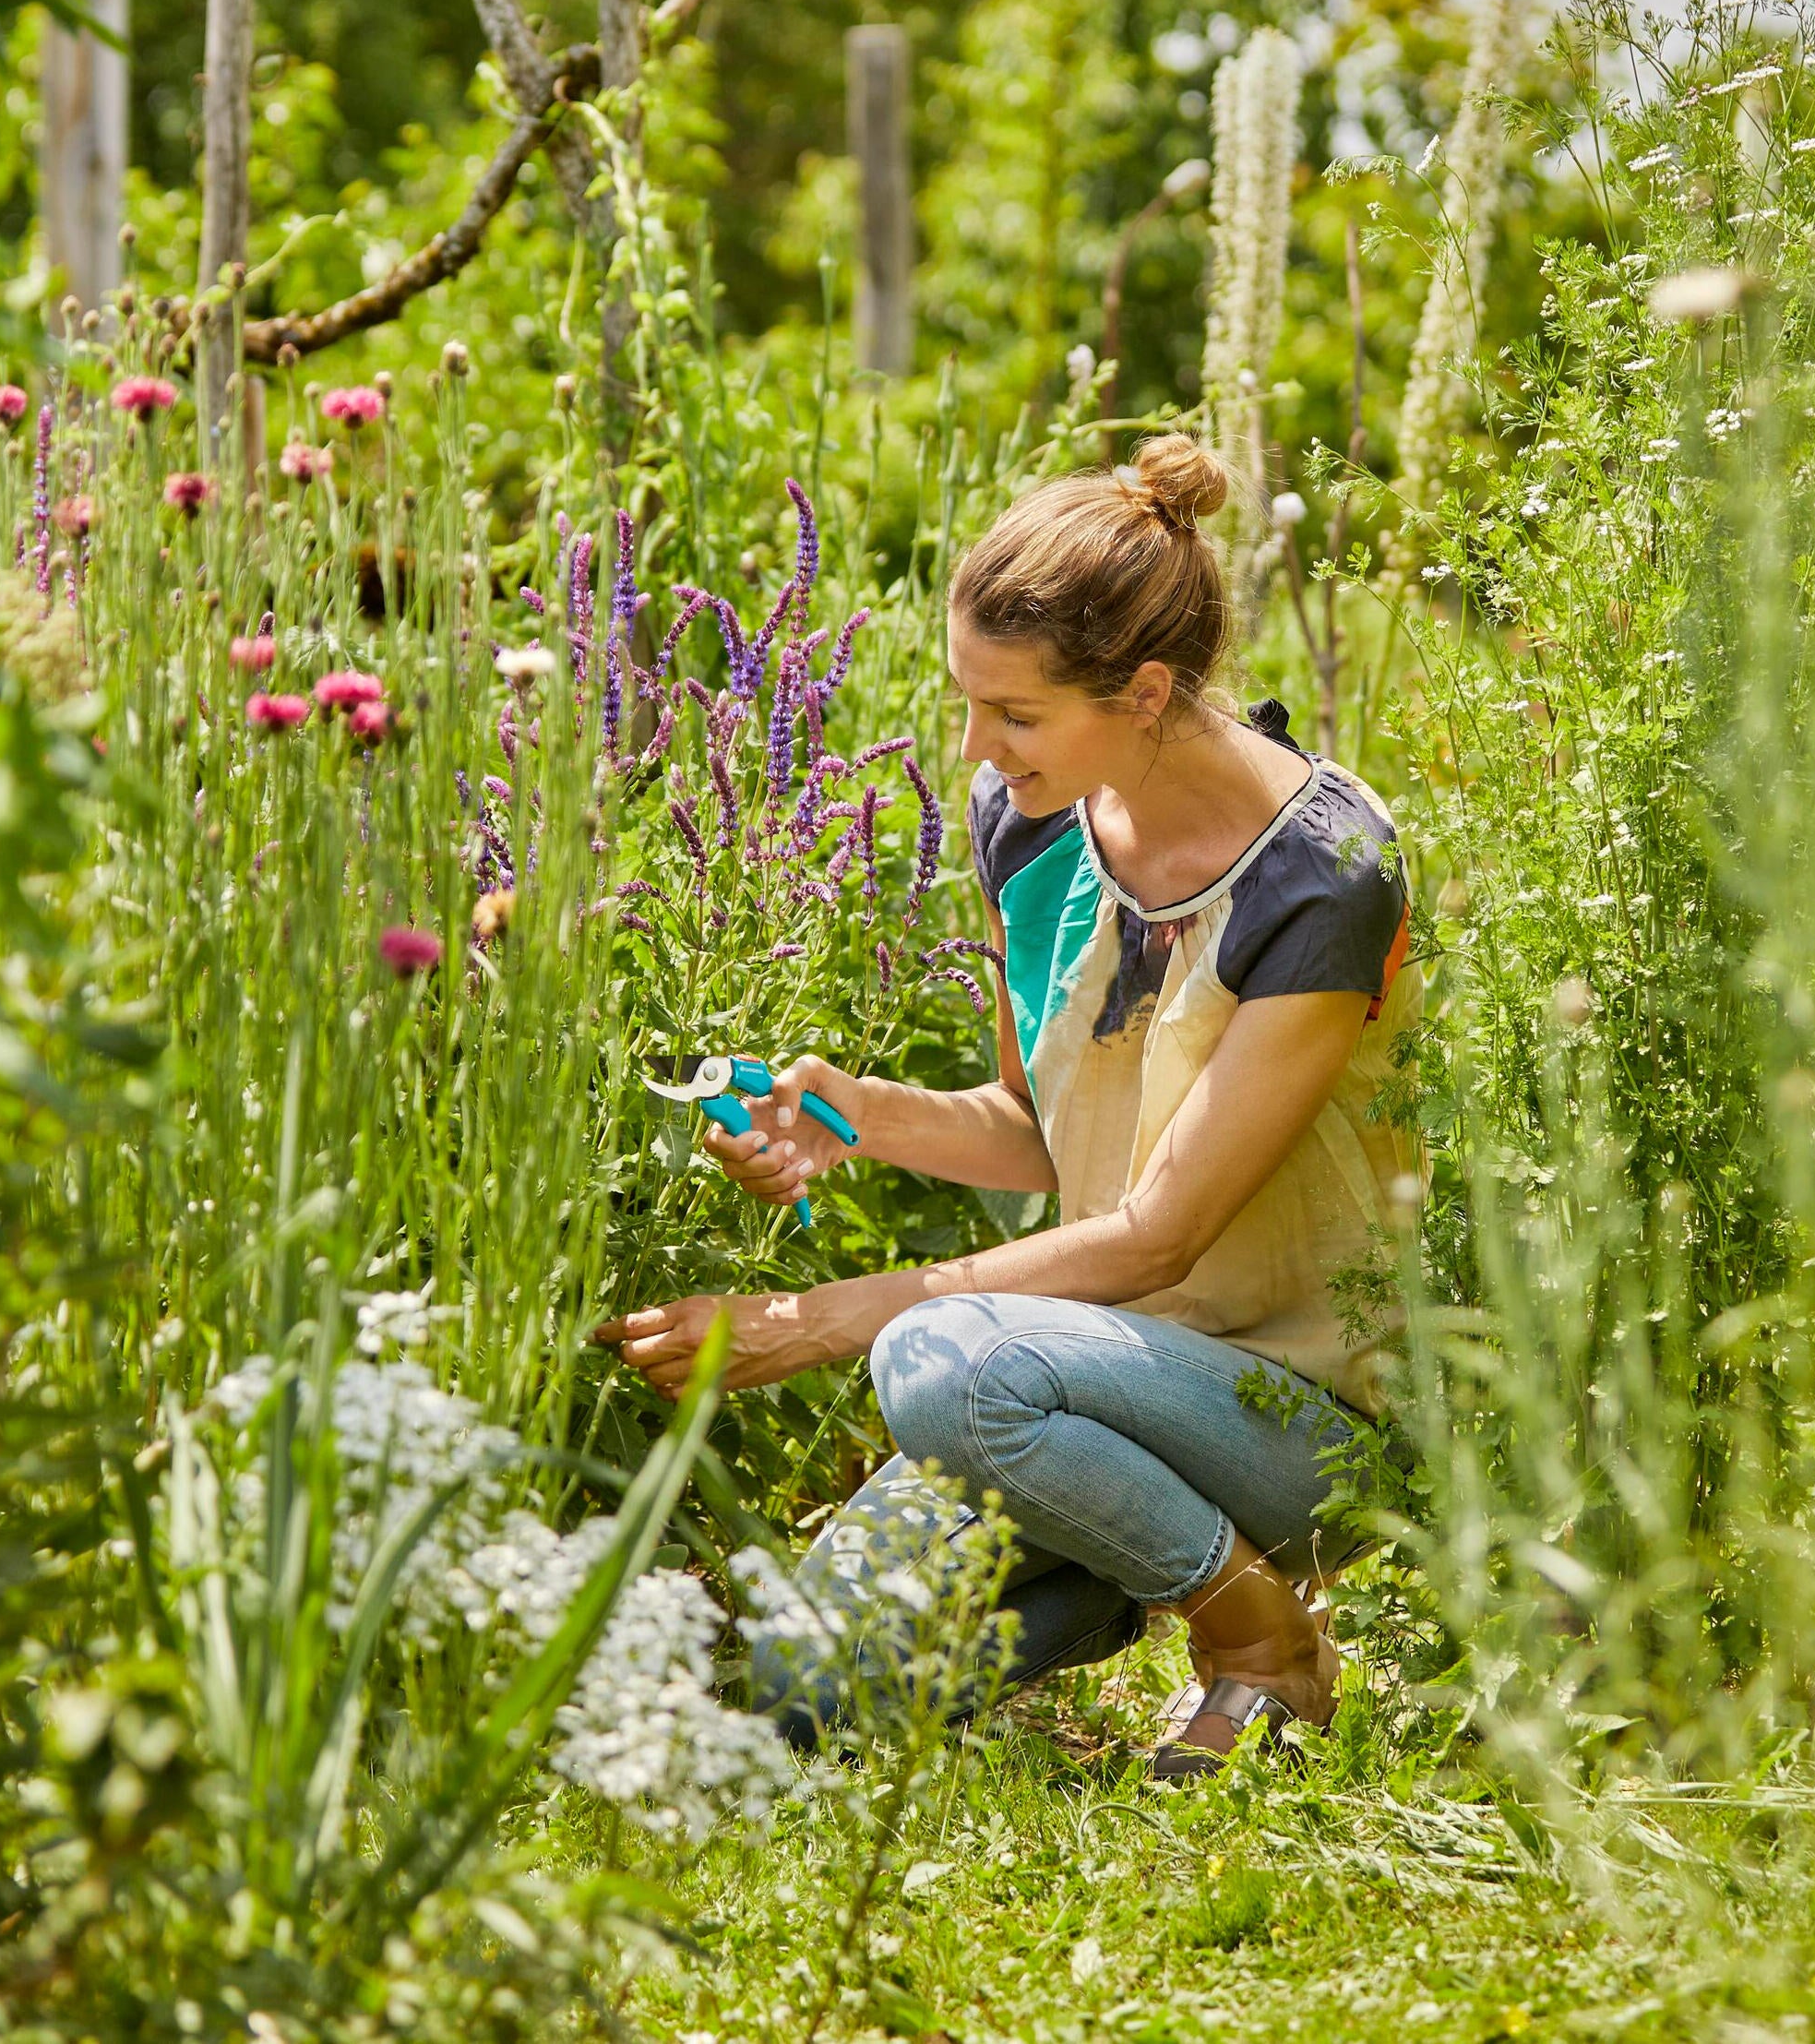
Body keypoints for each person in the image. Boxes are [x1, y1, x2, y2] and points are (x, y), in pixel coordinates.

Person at [595, 433, 1423, 1775]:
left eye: (1015, 714)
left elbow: (1155, 1235)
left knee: (937, 1363)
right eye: (970, 703)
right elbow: (1043, 1132)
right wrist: (851, 1109)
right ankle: (1123, 1549)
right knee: (801, 1687)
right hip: (1066, 1384)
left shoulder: (1326, 874)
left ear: (1146, 691)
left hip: (1298, 1417)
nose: (975, 747)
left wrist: (821, 1322)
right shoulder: (1032, 822)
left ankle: (1259, 1635)